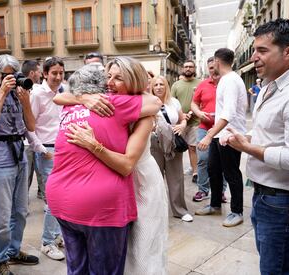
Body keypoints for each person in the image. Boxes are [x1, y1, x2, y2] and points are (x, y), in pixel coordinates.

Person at [47, 58, 162, 275]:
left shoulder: (73, 106)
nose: (109, 82)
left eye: (118, 77)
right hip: (99, 205)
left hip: (61, 200)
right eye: (108, 76)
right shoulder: (112, 102)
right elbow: (156, 103)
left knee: (77, 268)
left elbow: (58, 97)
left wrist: (82, 97)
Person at [224, 19, 289, 274]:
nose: (254, 57)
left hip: (280, 201)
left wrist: (248, 148)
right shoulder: (266, 88)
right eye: (254, 50)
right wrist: (246, 137)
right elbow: (269, 132)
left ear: (286, 51)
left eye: (262, 50)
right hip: (263, 197)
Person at [0, 54, 38, 275]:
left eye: (15, 75)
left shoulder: (19, 92)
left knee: (21, 211)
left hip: (20, 155)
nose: (11, 80)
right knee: (2, 217)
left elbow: (30, 126)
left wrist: (26, 101)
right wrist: (2, 92)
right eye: (6, 76)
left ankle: (13, 251)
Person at [195, 48, 247, 228]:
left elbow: (230, 112)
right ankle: (215, 205)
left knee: (231, 173)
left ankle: (237, 211)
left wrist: (209, 134)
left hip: (230, 135)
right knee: (213, 170)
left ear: (217, 61)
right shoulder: (226, 80)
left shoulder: (231, 80)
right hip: (220, 134)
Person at [30, 57, 65, 261]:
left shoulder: (61, 92)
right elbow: (29, 125)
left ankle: (57, 235)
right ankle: (47, 242)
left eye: (61, 73)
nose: (58, 77)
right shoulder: (37, 94)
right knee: (53, 199)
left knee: (63, 196)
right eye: (54, 73)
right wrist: (42, 150)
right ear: (45, 74)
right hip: (48, 151)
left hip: (63, 149)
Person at [150, 75, 193, 222]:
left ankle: (180, 210)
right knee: (154, 179)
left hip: (173, 143)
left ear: (167, 86)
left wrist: (182, 125)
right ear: (151, 87)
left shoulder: (174, 102)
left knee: (176, 178)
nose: (159, 87)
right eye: (155, 85)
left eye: (162, 84)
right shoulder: (147, 102)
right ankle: (154, 212)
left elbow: (183, 118)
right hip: (153, 143)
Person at [191, 57, 227, 202]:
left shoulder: (227, 84)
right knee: (203, 159)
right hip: (204, 127)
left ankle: (221, 191)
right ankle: (203, 190)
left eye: (216, 67)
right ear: (208, 69)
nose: (214, 70)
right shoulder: (203, 84)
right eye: (211, 68)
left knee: (222, 161)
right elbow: (194, 103)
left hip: (224, 129)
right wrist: (199, 113)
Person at [171, 60, 201, 182]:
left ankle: (195, 172)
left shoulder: (200, 84)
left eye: (190, 67)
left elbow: (202, 102)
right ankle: (177, 172)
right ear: (183, 69)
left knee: (192, 147)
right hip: (179, 123)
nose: (188, 68)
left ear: (194, 69)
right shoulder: (176, 85)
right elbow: (172, 103)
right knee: (178, 147)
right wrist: (182, 115)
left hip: (195, 121)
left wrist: (191, 113)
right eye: (186, 66)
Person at [21, 60, 43, 194]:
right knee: (26, 174)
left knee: (41, 173)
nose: (40, 75)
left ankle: (44, 195)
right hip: (26, 141)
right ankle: (23, 202)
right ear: (32, 73)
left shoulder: (40, 90)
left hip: (40, 139)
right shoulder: (19, 90)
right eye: (39, 72)